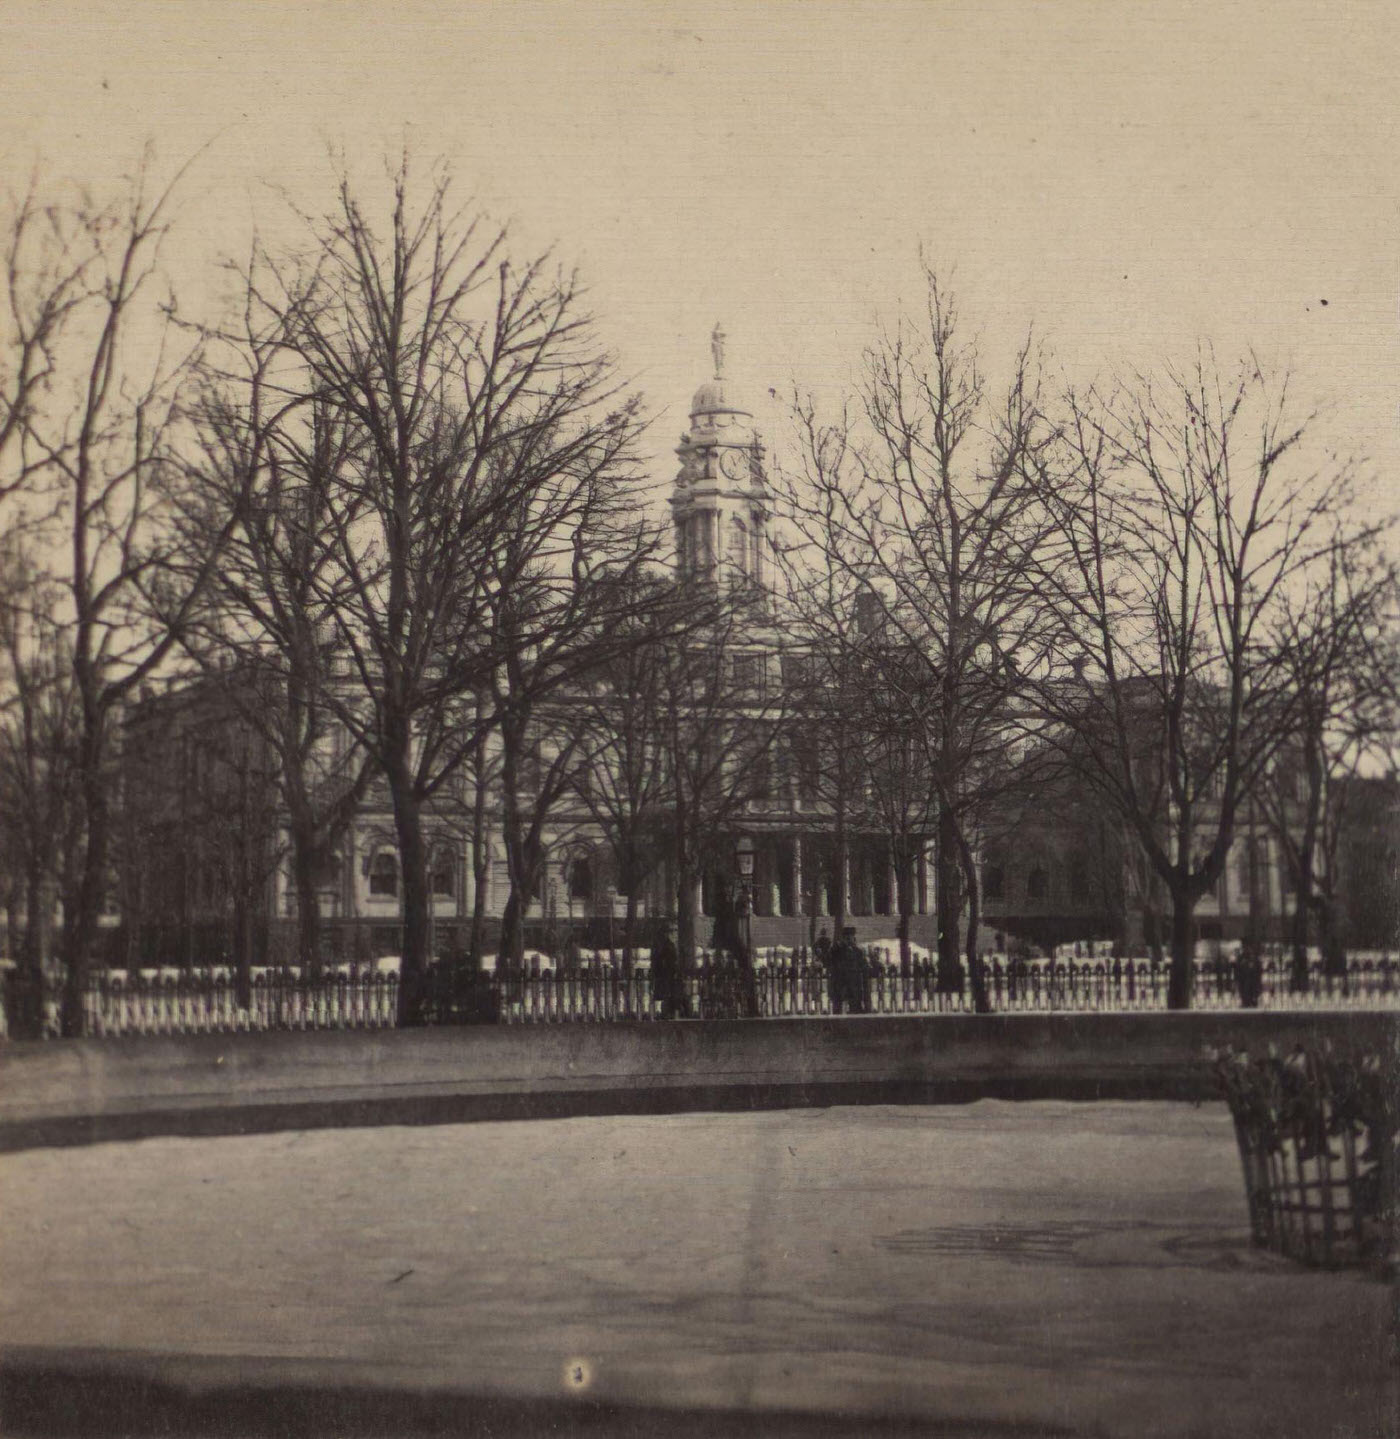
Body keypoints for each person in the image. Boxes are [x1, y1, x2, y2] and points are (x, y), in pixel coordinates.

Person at [649, 926, 689, 1019]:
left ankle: (669, 1012)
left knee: (668, 994)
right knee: (668, 993)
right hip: (667, 974)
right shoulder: (666, 945)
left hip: (667, 974)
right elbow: (666, 959)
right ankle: (669, 1012)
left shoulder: (665, 945)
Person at [828, 926, 866, 1015]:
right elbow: (831, 963)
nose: (849, 940)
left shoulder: (858, 951)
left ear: (854, 938)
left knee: (855, 1007)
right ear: (843, 938)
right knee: (838, 1008)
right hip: (840, 983)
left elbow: (863, 966)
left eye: (850, 937)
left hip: (854, 983)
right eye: (846, 938)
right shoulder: (836, 950)